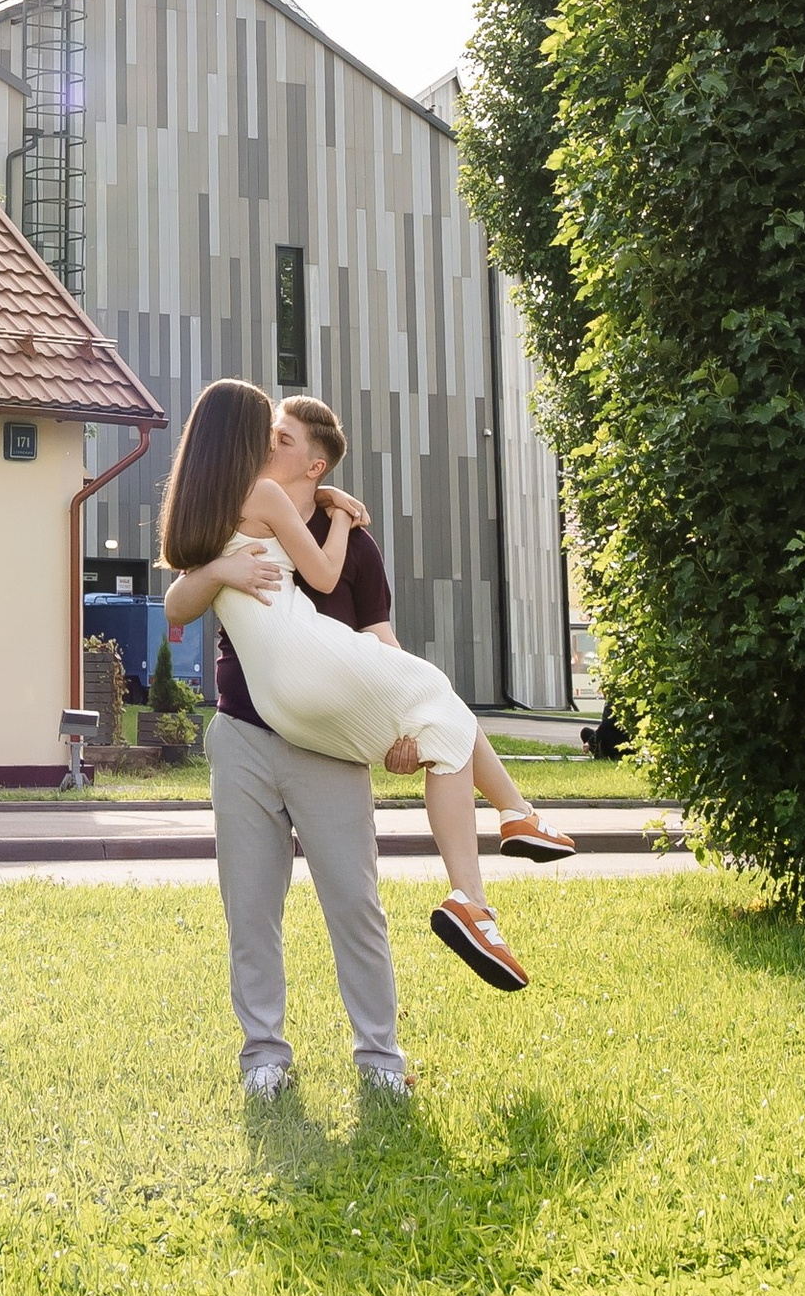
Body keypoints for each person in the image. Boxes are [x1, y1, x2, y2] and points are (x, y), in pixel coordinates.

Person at [160, 383, 570, 1065]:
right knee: (441, 701)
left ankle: (511, 827)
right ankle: (490, 863)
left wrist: (392, 733)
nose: (272, 440)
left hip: (307, 715)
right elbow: (308, 579)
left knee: (432, 722)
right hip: (270, 709)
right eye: (267, 431)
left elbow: (188, 594)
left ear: (314, 464)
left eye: (283, 436)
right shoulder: (266, 501)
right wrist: (336, 522)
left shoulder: (205, 512)